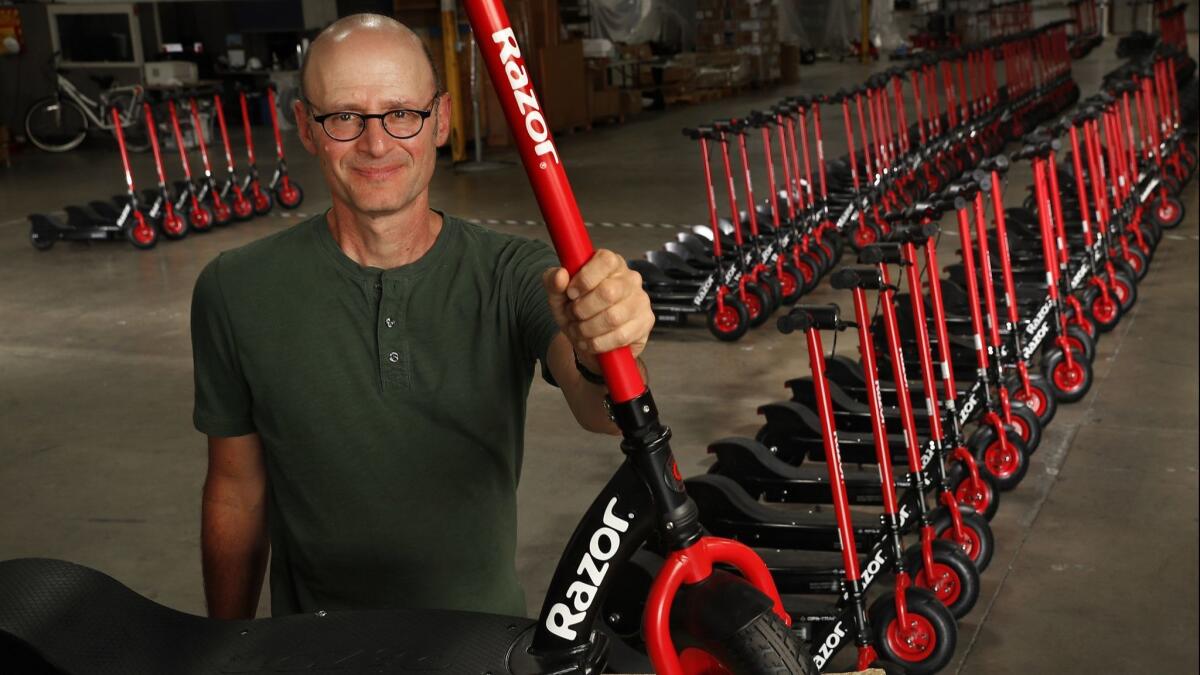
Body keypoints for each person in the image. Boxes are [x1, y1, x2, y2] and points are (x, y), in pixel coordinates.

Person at [192, 13, 653, 621]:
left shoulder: (514, 273)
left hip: (479, 645)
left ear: (441, 119)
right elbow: (236, 492)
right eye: (345, 117)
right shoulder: (236, 288)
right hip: (309, 652)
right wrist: (226, 648)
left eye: (402, 113)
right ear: (306, 127)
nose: (376, 143)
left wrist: (604, 347)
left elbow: (602, 413)